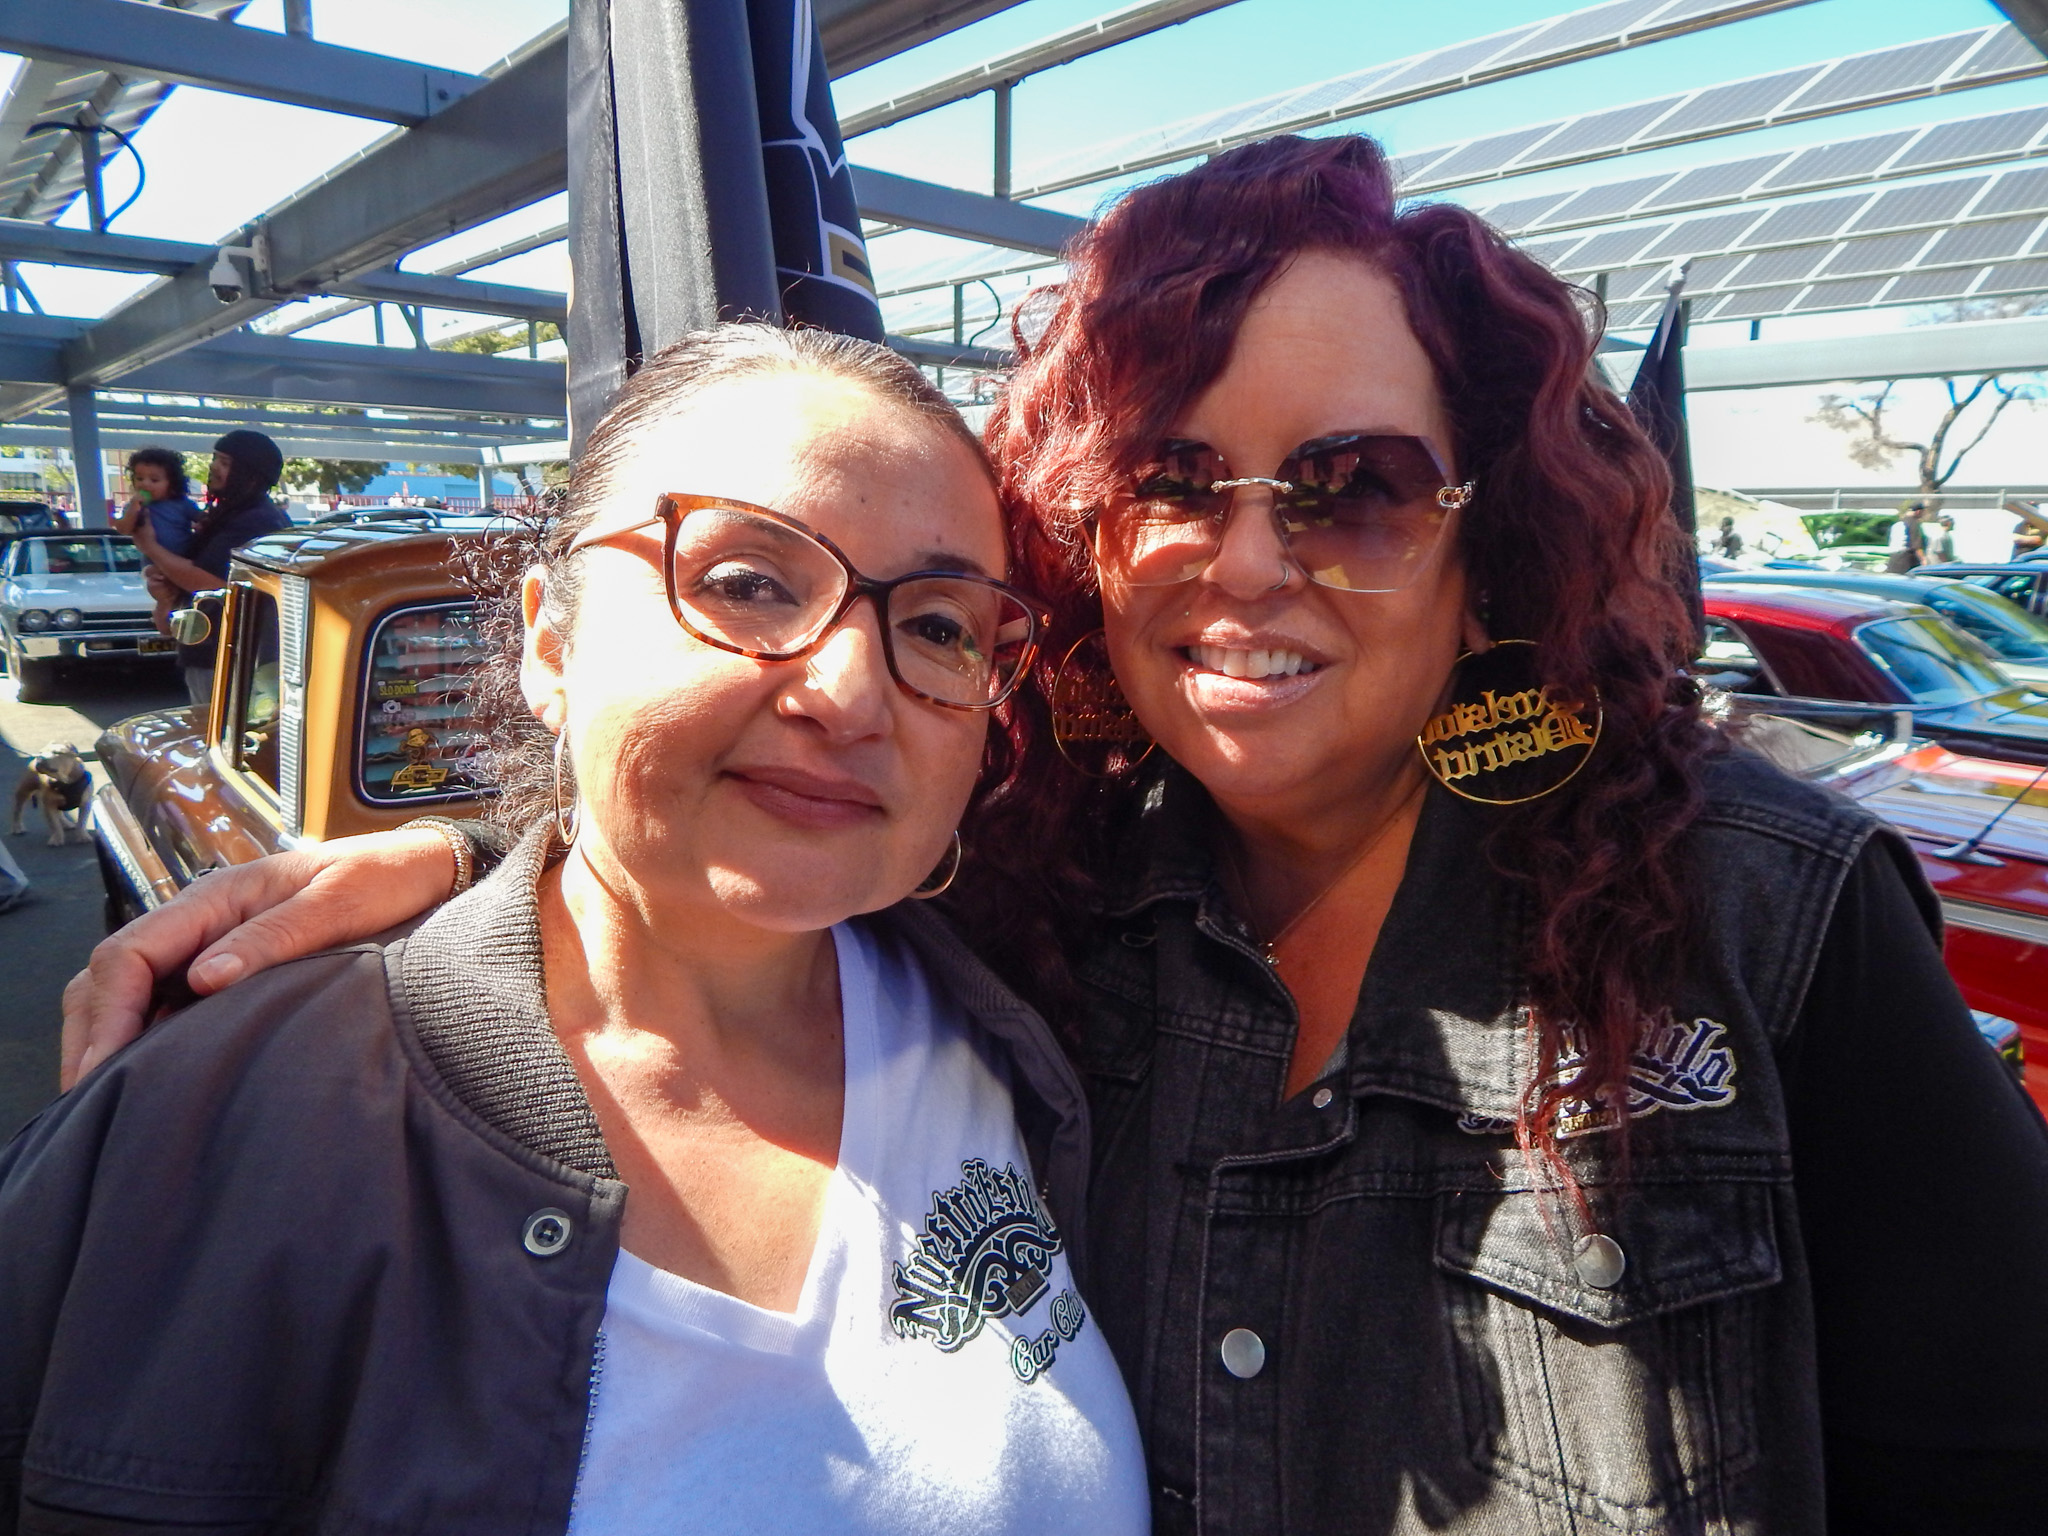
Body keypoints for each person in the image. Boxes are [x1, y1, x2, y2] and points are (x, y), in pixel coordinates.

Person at [58, 137, 2048, 1535]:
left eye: (1351, 489)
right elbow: (751, 870)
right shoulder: (1047, 904)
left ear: (1485, 543)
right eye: (1174, 483)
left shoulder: (1754, 928)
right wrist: (492, 884)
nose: (1247, 562)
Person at [4, 327, 1148, 1533]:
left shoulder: (1030, 1013)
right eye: (748, 583)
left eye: (938, 626)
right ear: (552, 640)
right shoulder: (219, 1129)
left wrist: (459, 849)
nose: (852, 693)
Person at [130, 429, 292, 707]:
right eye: (215, 458)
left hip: (235, 661)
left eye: (226, 462)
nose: (214, 467)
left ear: (251, 473)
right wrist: (165, 598)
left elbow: (210, 582)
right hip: (213, 654)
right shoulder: (227, 514)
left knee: (224, 743)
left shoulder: (255, 520)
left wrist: (150, 546)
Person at [113, 446, 201, 636]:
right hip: (154, 563)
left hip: (183, 559)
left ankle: (176, 623)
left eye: (154, 480)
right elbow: (124, 529)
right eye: (139, 478)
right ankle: (163, 623)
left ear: (172, 483)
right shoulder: (135, 507)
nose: (145, 484)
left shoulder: (183, 505)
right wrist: (133, 510)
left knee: (181, 593)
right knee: (160, 589)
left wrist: (203, 524)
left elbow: (202, 519)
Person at [1884, 502, 1927, 573]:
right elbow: (1916, 545)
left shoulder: (1899, 522)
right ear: (1918, 512)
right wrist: (1923, 559)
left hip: (1893, 560)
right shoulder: (1914, 523)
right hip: (1907, 561)